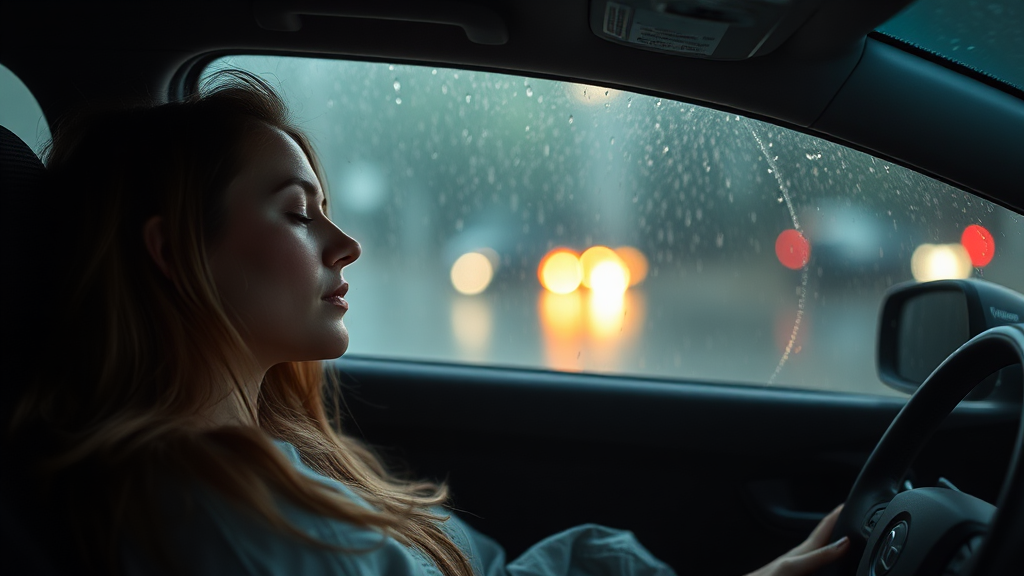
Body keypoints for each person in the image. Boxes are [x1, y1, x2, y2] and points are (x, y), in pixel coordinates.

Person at [7, 71, 849, 576]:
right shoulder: (202, 506)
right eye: (298, 214)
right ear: (173, 251)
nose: (346, 245)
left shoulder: (274, 458)